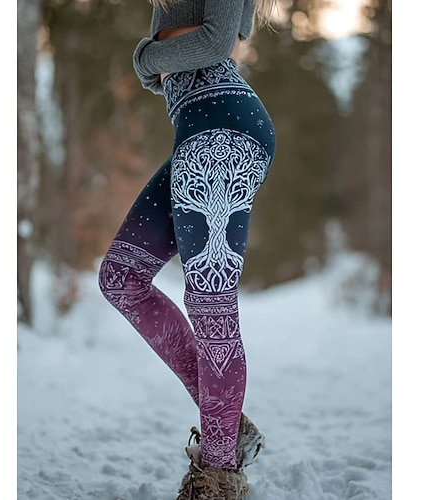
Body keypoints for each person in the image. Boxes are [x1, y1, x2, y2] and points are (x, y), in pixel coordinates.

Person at [98, 0, 277, 498]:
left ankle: (218, 480)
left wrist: (146, 55)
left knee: (211, 302)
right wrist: (163, 56)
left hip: (223, 129)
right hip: (197, 129)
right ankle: (227, 424)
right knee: (121, 277)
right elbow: (185, 57)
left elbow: (216, 44)